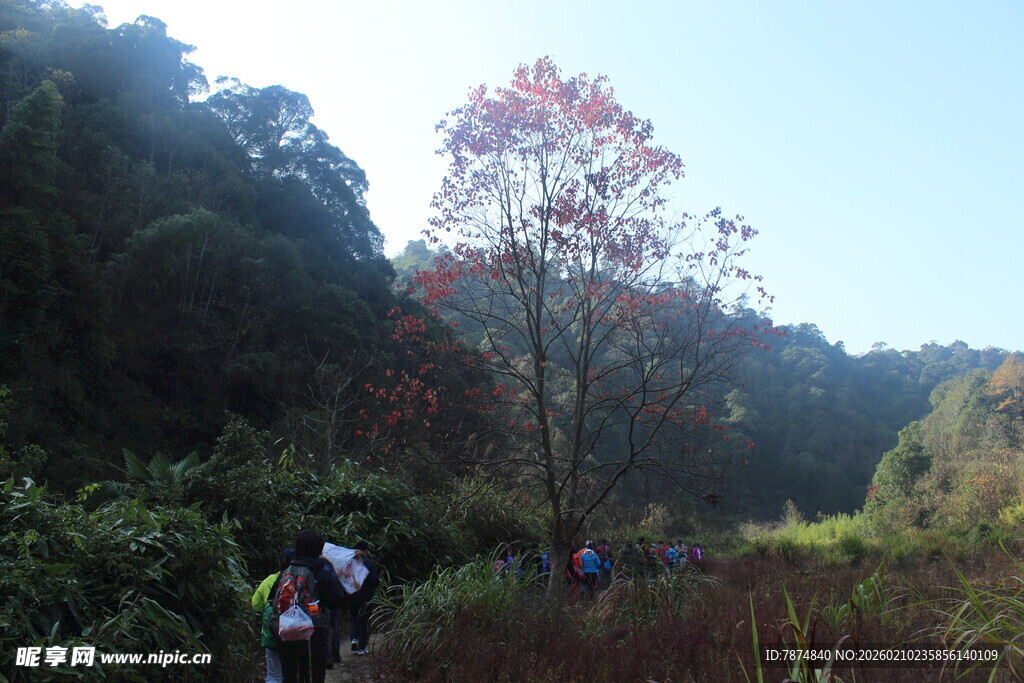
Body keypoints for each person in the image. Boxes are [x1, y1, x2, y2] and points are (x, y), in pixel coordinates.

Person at [274, 530, 348, 683]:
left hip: (287, 630)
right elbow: (336, 601)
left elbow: (272, 600)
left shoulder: (287, 572)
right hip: (315, 631)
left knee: (290, 674)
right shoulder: (323, 573)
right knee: (315, 672)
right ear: (320, 549)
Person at [252, 555, 290, 683]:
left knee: (273, 675)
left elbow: (255, 604)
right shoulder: (298, 579)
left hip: (272, 633)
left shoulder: (269, 580)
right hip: (294, 633)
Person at [348, 541, 380, 656]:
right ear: (365, 551)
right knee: (364, 619)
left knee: (353, 617)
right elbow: (375, 581)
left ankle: (354, 639)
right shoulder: (370, 563)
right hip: (366, 595)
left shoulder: (350, 563)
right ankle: (361, 648)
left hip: (352, 594)